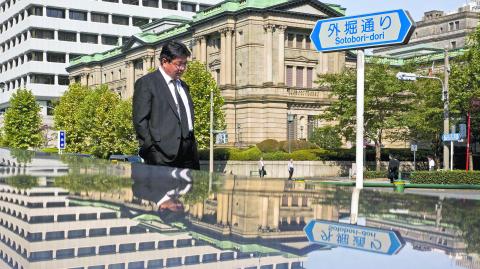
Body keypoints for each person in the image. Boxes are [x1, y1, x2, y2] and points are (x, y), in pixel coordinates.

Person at [133, 41, 199, 169]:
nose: (182, 68)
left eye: (185, 64)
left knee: (192, 189)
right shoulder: (147, 83)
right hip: (161, 155)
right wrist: (151, 150)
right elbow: (140, 121)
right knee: (163, 189)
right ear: (164, 61)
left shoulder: (184, 86)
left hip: (189, 154)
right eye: (178, 64)